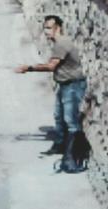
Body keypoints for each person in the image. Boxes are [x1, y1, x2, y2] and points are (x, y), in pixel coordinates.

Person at [15, 15, 88, 173]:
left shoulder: (62, 44)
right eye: (45, 28)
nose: (46, 31)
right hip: (65, 85)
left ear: (58, 28)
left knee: (71, 121)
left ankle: (70, 160)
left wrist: (28, 68)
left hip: (73, 86)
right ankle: (60, 146)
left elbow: (51, 66)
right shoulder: (58, 43)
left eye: (49, 28)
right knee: (59, 116)